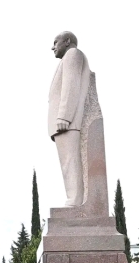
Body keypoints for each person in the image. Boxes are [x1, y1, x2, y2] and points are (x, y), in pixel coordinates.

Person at [48, 31, 92, 207]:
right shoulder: (68, 58)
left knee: (70, 162)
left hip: (68, 122)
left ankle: (75, 201)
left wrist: (64, 116)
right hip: (66, 123)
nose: (52, 47)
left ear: (67, 41)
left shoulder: (73, 54)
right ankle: (74, 199)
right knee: (68, 163)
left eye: (55, 42)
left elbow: (70, 84)